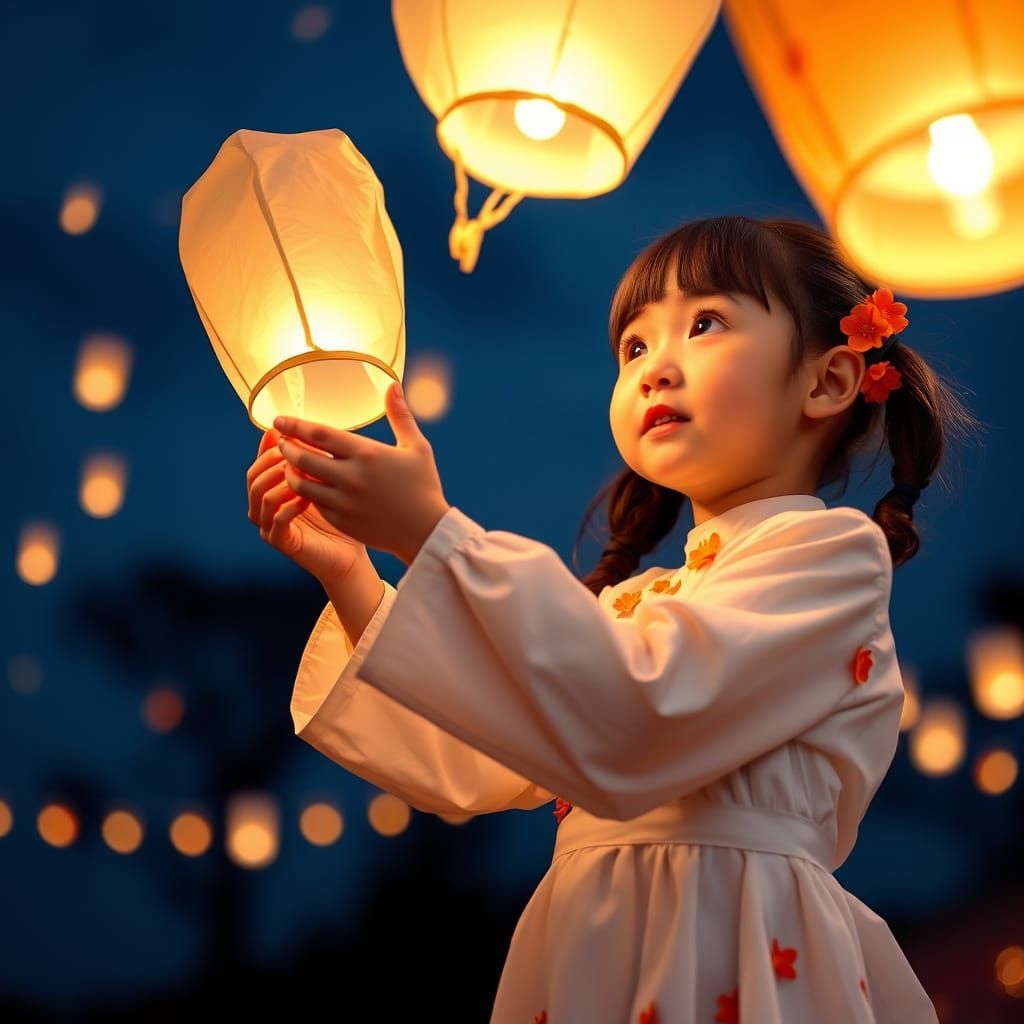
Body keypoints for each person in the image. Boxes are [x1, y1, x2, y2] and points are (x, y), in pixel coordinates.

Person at [246, 215, 981, 1023]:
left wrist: (435, 535)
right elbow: (473, 756)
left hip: (742, 944)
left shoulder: (829, 554)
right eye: (633, 347)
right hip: (596, 951)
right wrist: (353, 575)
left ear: (828, 381)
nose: (655, 367)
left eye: (705, 324)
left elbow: (641, 718)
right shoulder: (632, 603)